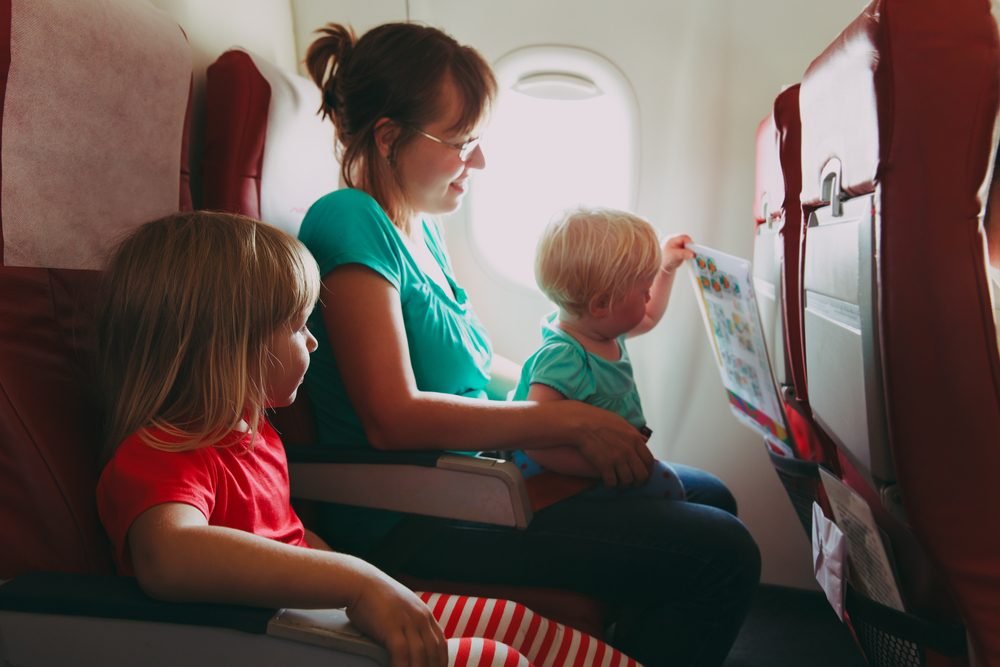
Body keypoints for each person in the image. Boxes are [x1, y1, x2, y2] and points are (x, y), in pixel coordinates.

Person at [301, 21, 761, 667]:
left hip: (477, 477)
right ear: (387, 137)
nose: (479, 161)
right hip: (413, 508)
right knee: (722, 550)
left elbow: (476, 368)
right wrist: (566, 419)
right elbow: (390, 416)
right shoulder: (348, 220)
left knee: (712, 496)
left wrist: (571, 393)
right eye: (461, 142)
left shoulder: (420, 230)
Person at [94, 211, 640, 667]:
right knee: (495, 658)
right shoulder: (160, 455)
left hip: (311, 621)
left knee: (518, 624)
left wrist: (373, 582)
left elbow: (289, 539)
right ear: (228, 348)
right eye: (295, 326)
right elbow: (168, 555)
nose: (311, 339)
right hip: (270, 639)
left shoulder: (254, 436)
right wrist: (357, 583)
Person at [509, 207, 690, 502]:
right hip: (560, 480)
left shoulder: (603, 329)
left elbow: (649, 316)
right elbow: (533, 438)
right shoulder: (564, 357)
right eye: (644, 289)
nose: (648, 296)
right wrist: (597, 468)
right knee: (668, 487)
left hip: (602, 464)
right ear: (602, 305)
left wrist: (666, 267)